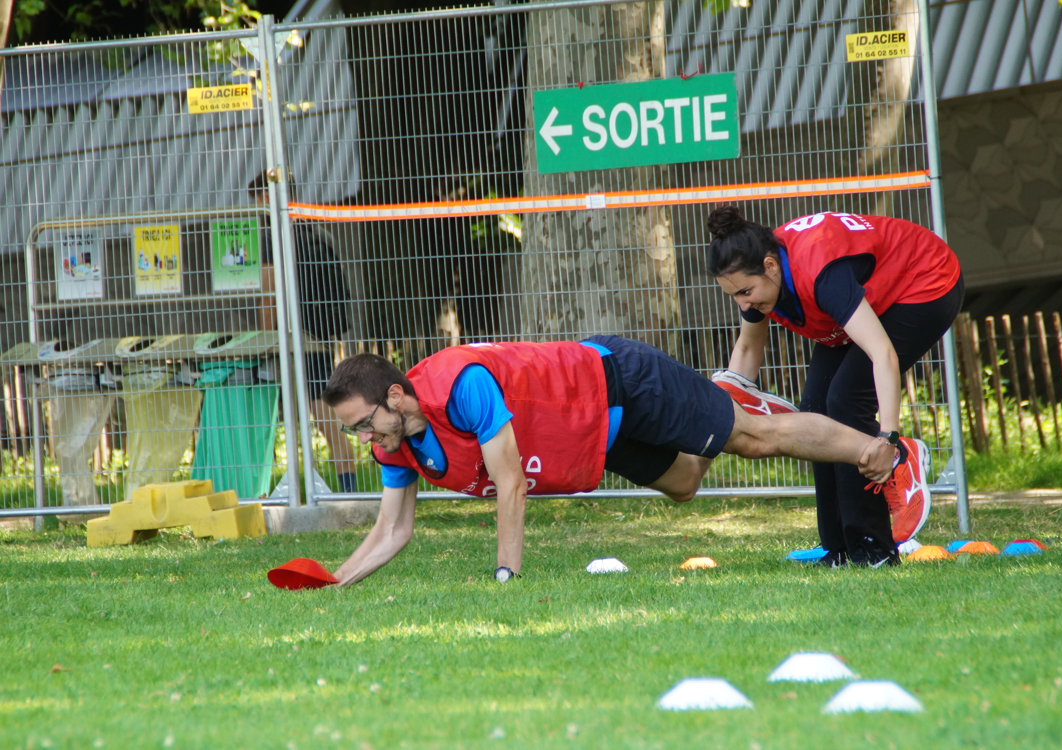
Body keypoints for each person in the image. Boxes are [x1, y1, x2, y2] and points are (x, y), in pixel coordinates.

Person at [321, 336, 917, 587]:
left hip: (618, 380)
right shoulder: (393, 440)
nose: (363, 439)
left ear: (395, 398)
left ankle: (878, 451)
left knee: (752, 440)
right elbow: (392, 529)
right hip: (592, 429)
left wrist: (506, 577)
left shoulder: (461, 384)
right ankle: (721, 394)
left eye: (364, 422)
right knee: (684, 482)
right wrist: (335, 583)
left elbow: (510, 485)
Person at [706, 206, 964, 567]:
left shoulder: (821, 273)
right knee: (814, 409)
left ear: (770, 265)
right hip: (873, 293)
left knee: (845, 400)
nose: (744, 304)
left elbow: (882, 355)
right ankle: (839, 550)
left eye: (746, 292)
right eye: (734, 296)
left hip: (925, 280)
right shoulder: (753, 276)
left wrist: (887, 438)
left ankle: (876, 544)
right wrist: (728, 414)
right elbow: (748, 349)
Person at [248, 171, 358, 493]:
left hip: (297, 342)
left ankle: (318, 491)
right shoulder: (317, 233)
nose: (258, 210)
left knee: (319, 419)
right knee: (327, 422)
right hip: (321, 337)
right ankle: (347, 489)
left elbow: (269, 297)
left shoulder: (274, 237)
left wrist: (266, 342)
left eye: (258, 202)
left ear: (269, 198)